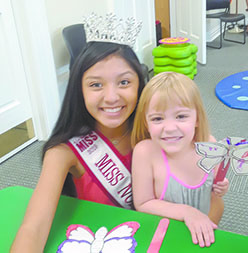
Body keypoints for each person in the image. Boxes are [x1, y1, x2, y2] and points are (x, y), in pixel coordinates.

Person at [10, 41, 146, 252]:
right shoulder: (63, 152)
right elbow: (34, 227)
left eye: (124, 82)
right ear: (79, 90)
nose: (111, 97)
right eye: (96, 85)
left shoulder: (156, 134)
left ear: (140, 84)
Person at [131, 72, 229, 248]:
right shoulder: (145, 152)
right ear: (146, 123)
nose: (169, 128)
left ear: (197, 118)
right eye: (158, 118)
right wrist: (187, 212)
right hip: (162, 236)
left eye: (181, 116)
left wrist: (222, 187)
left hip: (203, 234)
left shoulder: (210, 145)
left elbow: (214, 194)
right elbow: (143, 203)